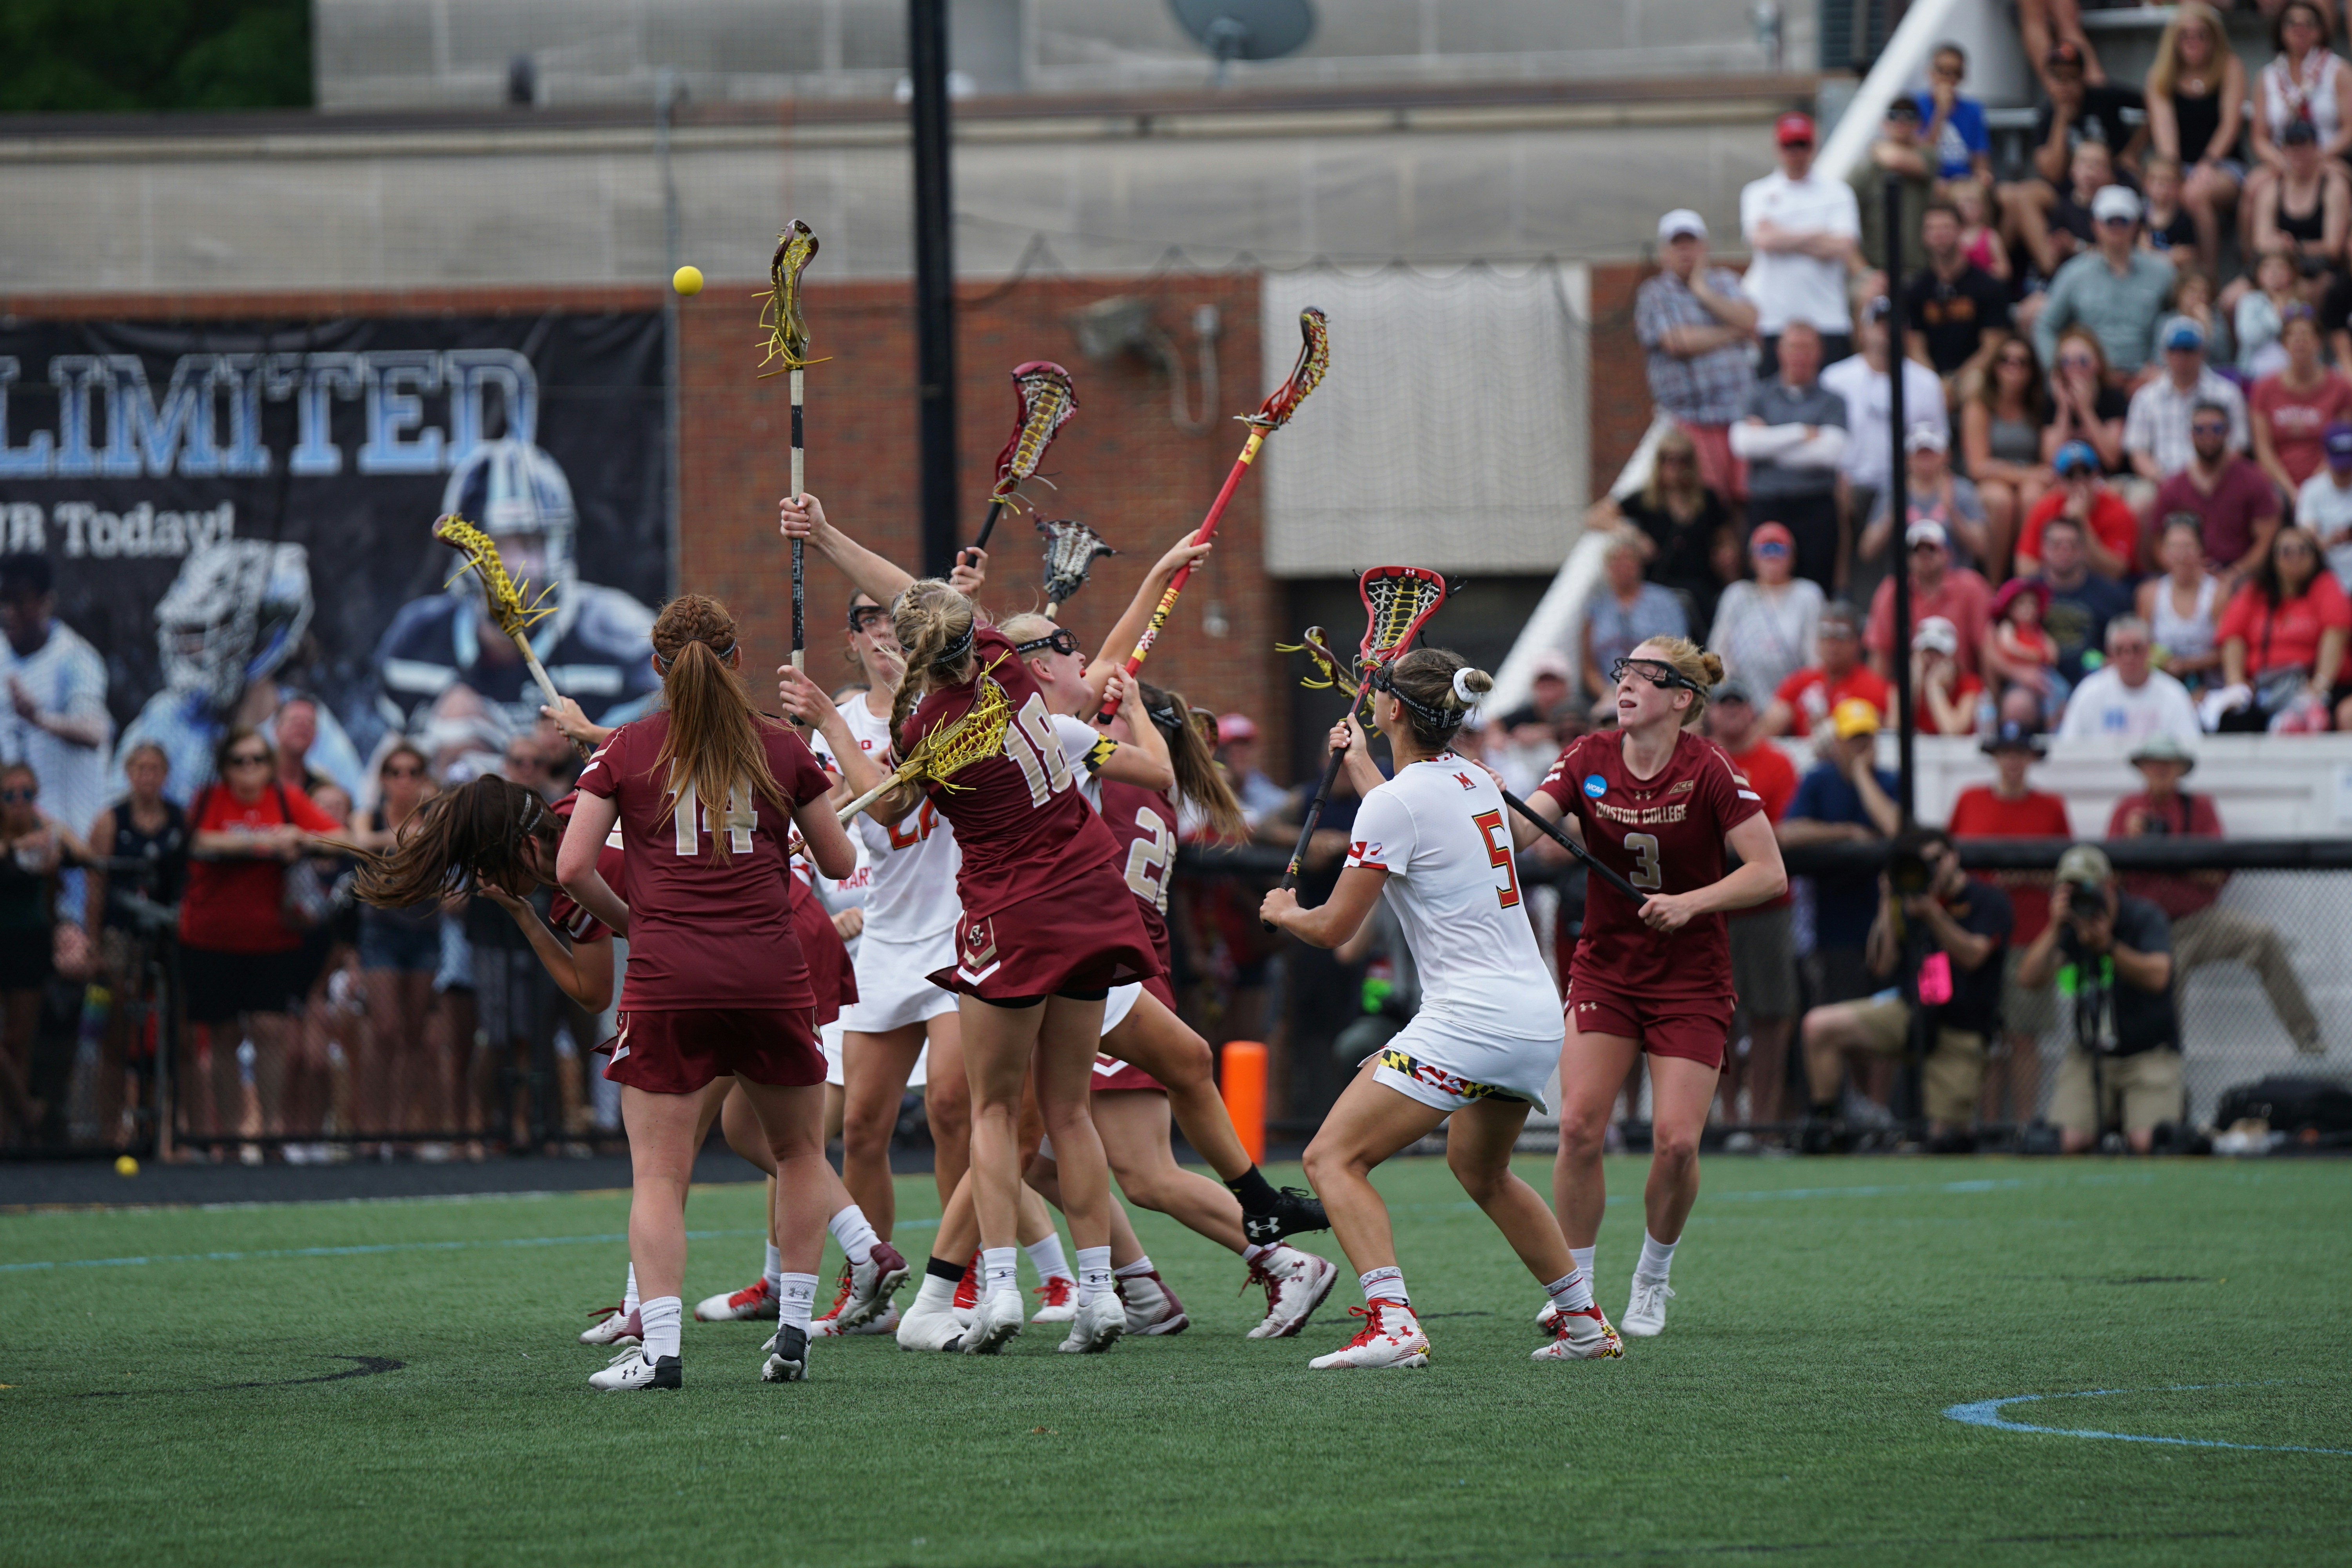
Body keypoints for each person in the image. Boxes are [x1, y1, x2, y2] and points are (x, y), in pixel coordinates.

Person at [1260, 650, 1619, 1370]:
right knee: (1482, 1170)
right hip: (1531, 1016)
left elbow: (1335, 929)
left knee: (1332, 1158)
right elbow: (1407, 813)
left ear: (1394, 709)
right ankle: (1585, 1325)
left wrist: (1286, 913)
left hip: (1471, 1019)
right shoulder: (1476, 780)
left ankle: (1392, 1322)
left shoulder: (1397, 802)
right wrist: (1362, 760)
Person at [555, 592, 860, 1389]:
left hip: (669, 976)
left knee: (659, 1171)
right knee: (798, 1152)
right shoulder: (780, 748)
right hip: (769, 970)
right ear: (736, 661)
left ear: (658, 666)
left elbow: (571, 867)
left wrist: (636, 920)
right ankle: (794, 1329)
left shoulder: (624, 747)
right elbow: (837, 862)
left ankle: (660, 1350)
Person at [1514, 637, 1786, 1341]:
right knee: (1577, 1128)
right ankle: (1576, 1293)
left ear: (1681, 699)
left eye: (1645, 674)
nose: (1626, 683)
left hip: (1691, 979)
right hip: (1606, 967)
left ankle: (1653, 1278)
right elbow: (1525, 828)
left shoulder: (1710, 769)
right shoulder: (1587, 757)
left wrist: (1693, 904)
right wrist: (1477, 786)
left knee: (1675, 1145)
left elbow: (1768, 872)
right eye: (1622, 671)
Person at [376, 440, 658, 779]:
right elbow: (381, 784)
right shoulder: (417, 638)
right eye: (496, 543)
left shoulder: (618, 637)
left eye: (530, 542)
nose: (514, 566)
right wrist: (437, 748)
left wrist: (574, 754)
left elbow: (651, 771)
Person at [178, 729, 345, 1154]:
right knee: (223, 1034)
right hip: (211, 936)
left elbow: (337, 836)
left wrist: (299, 838)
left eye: (257, 760)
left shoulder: (287, 798)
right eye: (239, 760)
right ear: (225, 766)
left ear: (270, 764)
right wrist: (266, 841)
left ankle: (270, 1130)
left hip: (271, 938)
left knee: (271, 1029)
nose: (249, 768)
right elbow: (199, 840)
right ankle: (230, 1136)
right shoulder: (209, 799)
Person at [2107, 734, 2322, 1056]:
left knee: (2262, 937)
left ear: (2181, 770)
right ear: (2142, 769)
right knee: (2163, 989)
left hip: (2199, 922)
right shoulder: (2126, 810)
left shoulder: (2201, 807)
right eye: (2154, 763)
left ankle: (2309, 1038)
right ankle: (2165, 1075)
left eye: (2169, 763)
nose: (2161, 769)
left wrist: (2171, 850)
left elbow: (2218, 874)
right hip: (2148, 929)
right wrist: (2129, 844)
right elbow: (2108, 881)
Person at [1800, 827, 2012, 1148]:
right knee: (1818, 1026)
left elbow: (1974, 957)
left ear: (1954, 857)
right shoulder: (1907, 900)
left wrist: (1933, 915)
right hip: (1911, 1011)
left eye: (1937, 860)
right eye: (1921, 863)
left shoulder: (1987, 899)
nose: (1932, 869)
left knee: (1946, 1138)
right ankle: (1825, 1128)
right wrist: (1888, 902)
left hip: (1959, 1029)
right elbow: (1882, 965)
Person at [113, 540, 362, 808]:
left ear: (262, 636)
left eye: (204, 632)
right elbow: (117, 805)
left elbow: (351, 814)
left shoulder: (309, 724)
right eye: (184, 632)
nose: (190, 649)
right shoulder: (165, 717)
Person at [2015, 845, 2181, 1153]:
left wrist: (2109, 946)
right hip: (2090, 1054)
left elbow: (2159, 976)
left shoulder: (2144, 916)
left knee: (2148, 1142)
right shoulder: (2070, 927)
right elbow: (2029, 979)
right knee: (2067, 1141)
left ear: (2109, 886)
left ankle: (2148, 1113)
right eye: (2071, 890)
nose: (2082, 898)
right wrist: (2055, 927)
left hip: (2148, 1054)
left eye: (2087, 889)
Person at [1702, 678, 1799, 1137]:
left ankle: (1762, 1120)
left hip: (1764, 907)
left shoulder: (1776, 764)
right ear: (1712, 713)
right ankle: (1728, 1121)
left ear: (1753, 713)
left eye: (1740, 705)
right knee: (1715, 1015)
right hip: (1708, 907)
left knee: (1769, 1015)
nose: (1732, 713)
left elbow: (1780, 835)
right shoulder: (1701, 759)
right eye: (1724, 706)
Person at [82, 741, 187, 1149]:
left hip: (169, 934)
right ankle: (111, 1130)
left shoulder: (179, 820)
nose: (148, 776)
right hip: (121, 933)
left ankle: (164, 1129)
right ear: (129, 773)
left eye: (155, 768)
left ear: (165, 773)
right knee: (117, 1030)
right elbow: (96, 886)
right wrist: (94, 943)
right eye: (140, 768)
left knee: (172, 1031)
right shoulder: (111, 821)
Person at [1780, 699, 1902, 1009]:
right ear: (1838, 743)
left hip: (1887, 921)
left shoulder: (1889, 781)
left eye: (1867, 738)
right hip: (1835, 927)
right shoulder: (1819, 780)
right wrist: (1846, 833)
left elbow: (1896, 828)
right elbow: (1785, 833)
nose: (1861, 747)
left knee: (1886, 1013)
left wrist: (1862, 775)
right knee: (1838, 1010)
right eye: (1853, 739)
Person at [1822, 294, 1947, 591]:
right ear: (1864, 330)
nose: (1885, 331)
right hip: (1851, 481)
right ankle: (1841, 591)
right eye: (1878, 324)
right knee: (1832, 502)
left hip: (1905, 483)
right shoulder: (1836, 378)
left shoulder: (1925, 382)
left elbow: (1940, 442)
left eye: (1893, 325)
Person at [1636, 209, 1760, 502]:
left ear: (1704, 248)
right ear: (1664, 253)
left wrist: (1702, 291)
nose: (1685, 251)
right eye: (1676, 245)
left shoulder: (1725, 282)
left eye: (1690, 243)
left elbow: (1751, 318)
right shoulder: (1654, 293)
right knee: (1707, 500)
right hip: (1691, 418)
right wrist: (1731, 332)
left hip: (1739, 414)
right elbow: (1678, 341)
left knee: (1745, 497)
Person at [1, 761, 92, 1144]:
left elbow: (84, 853)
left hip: (29, 941)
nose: (19, 802)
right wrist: (19, 848)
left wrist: (55, 844)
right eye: (10, 795)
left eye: (27, 794)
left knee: (19, 1039)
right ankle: (27, 1109)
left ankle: (11, 1133)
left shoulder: (46, 829)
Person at [0, 553, 110, 852]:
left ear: (46, 601)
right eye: (3, 601)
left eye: (19, 602)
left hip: (74, 842)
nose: (9, 613)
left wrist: (39, 718)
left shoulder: (75, 659)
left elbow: (94, 732)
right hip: (18, 844)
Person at [1732, 320, 1851, 592]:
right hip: (1767, 504)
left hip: (1815, 505)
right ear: (1780, 351)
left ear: (1820, 352)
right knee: (1764, 583)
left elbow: (1830, 453)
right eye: (1794, 347)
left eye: (1807, 347)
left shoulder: (1832, 400)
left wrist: (1769, 444)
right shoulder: (1758, 395)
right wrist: (1800, 433)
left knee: (1817, 584)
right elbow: (1745, 445)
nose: (1800, 355)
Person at [1740, 112, 1862, 376]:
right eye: (1789, 145)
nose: (1796, 153)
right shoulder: (1758, 193)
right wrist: (1819, 234)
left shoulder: (1837, 192)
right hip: (1774, 320)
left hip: (1828, 318)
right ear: (1778, 148)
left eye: (1802, 145)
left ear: (1813, 146)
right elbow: (1764, 240)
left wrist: (1783, 236)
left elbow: (1843, 246)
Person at [1591, 424, 1736, 632]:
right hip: (1659, 588)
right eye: (1668, 459)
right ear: (1659, 462)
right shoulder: (1645, 500)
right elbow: (1595, 516)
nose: (1675, 466)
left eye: (1682, 459)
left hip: (1700, 586)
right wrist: (1633, 534)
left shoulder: (1707, 500)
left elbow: (1726, 539)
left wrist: (1727, 556)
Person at [2213, 523, 2352, 731]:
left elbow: (2337, 631)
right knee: (2233, 719)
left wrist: (2319, 687)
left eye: (2302, 550)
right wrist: (2237, 685)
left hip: (2312, 685)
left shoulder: (2326, 586)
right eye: (2286, 551)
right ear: (2273, 558)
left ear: (2315, 556)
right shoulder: (2255, 591)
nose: (2294, 557)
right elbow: (2233, 636)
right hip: (2265, 687)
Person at [2142, 0, 2244, 280]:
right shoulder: (2160, 77)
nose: (2194, 41)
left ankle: (2207, 279)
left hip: (2223, 164)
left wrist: (2207, 165)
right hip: (2180, 165)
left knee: (2196, 196)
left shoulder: (2230, 66)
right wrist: (2174, 176)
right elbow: (2166, 138)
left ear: (2214, 38)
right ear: (2174, 40)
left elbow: (2230, 125)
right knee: (2162, 192)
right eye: (2185, 35)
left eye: (2202, 34)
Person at [2034, 187, 2175, 380]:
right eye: (2110, 221)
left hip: (2148, 378)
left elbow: (2178, 317)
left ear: (2135, 225)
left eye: (2123, 221)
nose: (2116, 228)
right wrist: (2058, 371)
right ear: (2096, 225)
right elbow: (2045, 325)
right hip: (2091, 379)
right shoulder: (2074, 273)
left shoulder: (2163, 271)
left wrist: (2162, 365)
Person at [2245, 1, 2352, 236]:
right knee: (2253, 186)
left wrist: (2316, 158)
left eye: (2308, 24)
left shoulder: (2339, 71)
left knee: (2340, 181)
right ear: (2280, 31)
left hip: (2326, 155)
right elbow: (2260, 137)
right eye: (2292, 23)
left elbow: (2349, 129)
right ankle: (2257, 262)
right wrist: (2284, 162)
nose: (2299, 29)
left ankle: (2333, 257)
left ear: (2321, 30)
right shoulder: (2268, 76)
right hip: (2282, 158)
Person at [2154, 404, 2282, 588]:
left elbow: (2267, 539)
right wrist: (2188, 569)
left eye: (2216, 428)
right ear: (2190, 434)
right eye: (2199, 429)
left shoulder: (2253, 480)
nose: (2208, 435)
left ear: (2228, 432)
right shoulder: (2173, 487)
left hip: (2240, 575)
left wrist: (2237, 573)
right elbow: (2158, 543)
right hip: (2188, 576)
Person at [1963, 336, 2054, 579]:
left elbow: (2049, 463)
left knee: (2033, 496)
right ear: (1995, 367)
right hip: (1991, 481)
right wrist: (2025, 473)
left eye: (2021, 362)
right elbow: (1978, 466)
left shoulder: (2038, 407)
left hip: (2024, 480)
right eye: (2006, 361)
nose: (2013, 368)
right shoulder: (1979, 406)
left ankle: (2027, 582)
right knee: (2000, 501)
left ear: (2032, 371)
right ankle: (1993, 583)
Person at [2125, 320, 2252, 492]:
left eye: (2188, 350)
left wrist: (2207, 479)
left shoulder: (2227, 393)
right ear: (2165, 354)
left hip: (2218, 479)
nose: (2181, 358)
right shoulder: (2146, 397)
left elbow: (2237, 447)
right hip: (2161, 482)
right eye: (2174, 350)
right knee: (2140, 502)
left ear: (2202, 352)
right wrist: (2165, 482)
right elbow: (2138, 452)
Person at [1905, 200, 2012, 399]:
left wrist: (1954, 382)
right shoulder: (1916, 289)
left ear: (1961, 231)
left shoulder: (1988, 286)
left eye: (1946, 227)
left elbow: (1991, 347)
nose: (1939, 234)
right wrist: (1935, 383)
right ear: (1924, 236)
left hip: (1973, 376)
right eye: (1932, 229)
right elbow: (1915, 346)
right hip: (1931, 377)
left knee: (1975, 384)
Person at [1707, 523, 1823, 704]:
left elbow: (1816, 657)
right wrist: (1731, 695)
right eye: (1765, 549)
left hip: (1796, 698)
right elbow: (1719, 651)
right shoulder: (1736, 594)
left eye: (1779, 548)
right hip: (1742, 699)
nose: (1772, 555)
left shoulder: (1808, 594)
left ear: (1793, 557)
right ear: (1752, 559)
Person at [1864, 519, 1992, 680]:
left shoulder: (1972, 587)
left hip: (1964, 689)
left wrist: (1990, 699)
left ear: (1948, 554)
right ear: (1908, 558)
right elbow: (1880, 654)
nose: (1924, 555)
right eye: (1917, 550)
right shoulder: (1891, 591)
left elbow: (1987, 649)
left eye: (1932, 548)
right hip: (1912, 690)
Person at [1861, 425, 1989, 585]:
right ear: (1908, 458)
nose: (1926, 459)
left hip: (1956, 584)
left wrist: (1952, 511)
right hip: (1907, 585)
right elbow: (1867, 551)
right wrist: (1893, 513)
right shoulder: (1892, 492)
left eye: (1932, 453)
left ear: (1946, 455)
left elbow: (1982, 549)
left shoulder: (1963, 492)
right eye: (1920, 453)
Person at [1582, 536, 1688, 720]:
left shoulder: (1664, 602)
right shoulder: (1597, 608)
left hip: (1658, 689)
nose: (1623, 566)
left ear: (1639, 564)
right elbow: (1589, 666)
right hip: (1611, 695)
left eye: (1629, 559)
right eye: (1616, 560)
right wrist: (1610, 693)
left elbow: (1678, 655)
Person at [2252, 309, 2352, 501]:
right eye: (2292, 335)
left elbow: (2343, 441)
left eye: (2306, 335)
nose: (2300, 341)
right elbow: (2263, 449)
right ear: (2283, 343)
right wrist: (2289, 490)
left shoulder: (2341, 388)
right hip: (2278, 486)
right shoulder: (2264, 389)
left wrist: (2311, 491)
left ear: (2319, 342)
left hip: (2330, 480)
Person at [2032, 513, 2137, 686]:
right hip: (2040, 680)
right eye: (2057, 544)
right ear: (2043, 548)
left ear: (2083, 549)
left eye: (2072, 545)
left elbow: (2128, 645)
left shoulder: (2112, 595)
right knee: (2018, 704)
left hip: (2097, 680)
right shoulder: (2024, 592)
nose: (2064, 551)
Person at [2058, 617, 2202, 743]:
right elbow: (2069, 745)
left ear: (2149, 650)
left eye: (2136, 649)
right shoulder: (2089, 691)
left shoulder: (2173, 693)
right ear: (2110, 652)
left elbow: (2190, 746)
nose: (2128, 657)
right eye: (2120, 650)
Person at [1763, 602, 1886, 738]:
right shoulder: (1800, 682)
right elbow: (1766, 731)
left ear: (1857, 642)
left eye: (1841, 636)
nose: (1832, 644)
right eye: (1826, 635)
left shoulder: (1872, 687)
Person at [2018, 443, 2138, 581]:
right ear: (2059, 481)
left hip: (2100, 588)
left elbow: (2116, 572)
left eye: (2086, 472)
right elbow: (2024, 568)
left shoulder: (2118, 510)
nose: (2079, 481)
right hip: (2056, 585)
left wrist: (2081, 524)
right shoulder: (2045, 507)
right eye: (2071, 475)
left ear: (2097, 475)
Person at [2137, 514, 2227, 691]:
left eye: (2188, 547)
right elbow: (2142, 645)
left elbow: (2228, 652)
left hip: (2210, 687)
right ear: (2163, 552)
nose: (2181, 555)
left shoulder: (2218, 593)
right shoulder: (2149, 594)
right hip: (2162, 684)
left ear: (2201, 549)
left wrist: (2186, 665)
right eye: (2173, 547)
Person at [1852, 98, 1934, 276]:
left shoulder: (1929, 156)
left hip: (1919, 269)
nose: (1901, 121)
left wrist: (1876, 146)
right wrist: (1865, 274)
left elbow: (1897, 160)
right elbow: (1843, 212)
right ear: (1884, 123)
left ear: (1919, 124)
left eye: (1909, 116)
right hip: (1878, 271)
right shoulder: (1867, 169)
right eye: (1894, 115)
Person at [2042, 327, 2131, 481]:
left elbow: (2112, 459)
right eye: (2067, 362)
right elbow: (2052, 462)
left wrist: (2086, 410)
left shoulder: (2113, 397)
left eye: (2082, 361)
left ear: (2098, 364)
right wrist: (2064, 410)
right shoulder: (2053, 401)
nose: (2075, 368)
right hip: (2067, 480)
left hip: (2108, 478)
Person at [1918, 42, 1994, 186]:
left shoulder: (1973, 109)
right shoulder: (1916, 105)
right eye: (1942, 70)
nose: (1948, 78)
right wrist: (1940, 112)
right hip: (1930, 182)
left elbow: (1980, 159)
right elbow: (1923, 157)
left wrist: (1983, 175)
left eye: (1955, 72)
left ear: (1962, 76)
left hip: (1964, 181)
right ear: (1930, 72)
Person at [1911, 616, 1985, 736]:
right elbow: (1893, 728)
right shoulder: (1906, 685)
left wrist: (1934, 687)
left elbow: (1953, 731)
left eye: (1938, 653)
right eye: (1927, 653)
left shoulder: (1969, 684)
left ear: (1952, 658)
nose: (1932, 660)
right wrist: (1913, 686)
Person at [2299, 423, 2352, 591]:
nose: (2344, 471)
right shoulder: (2312, 490)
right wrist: (2332, 540)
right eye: (2340, 466)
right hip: (2326, 576)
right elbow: (2307, 544)